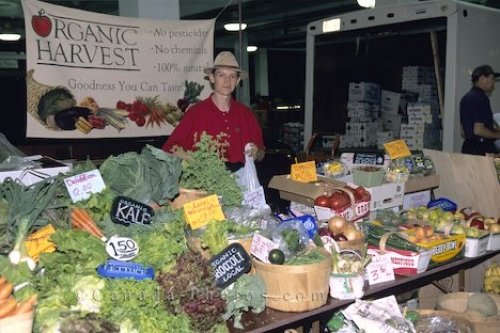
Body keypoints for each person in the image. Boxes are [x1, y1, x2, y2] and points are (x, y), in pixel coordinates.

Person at [162, 51, 265, 172]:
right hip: (204, 182)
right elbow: (170, 149)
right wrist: (194, 159)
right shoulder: (195, 113)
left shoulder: (246, 114)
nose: (227, 81)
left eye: (232, 76)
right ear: (212, 78)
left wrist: (256, 152)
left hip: (241, 181)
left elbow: (262, 153)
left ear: (237, 81)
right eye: (221, 75)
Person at [460, 64, 500, 155]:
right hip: (481, 150)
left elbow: (463, 131)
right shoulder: (481, 98)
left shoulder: (465, 98)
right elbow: (478, 130)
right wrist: (498, 134)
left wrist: (492, 130)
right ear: (482, 78)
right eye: (492, 79)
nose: (493, 84)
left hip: (468, 149)